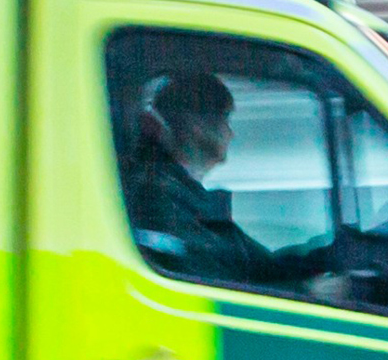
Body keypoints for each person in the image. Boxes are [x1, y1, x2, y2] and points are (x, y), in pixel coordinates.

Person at [122, 70, 322, 289]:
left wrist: (322, 258)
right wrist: (309, 290)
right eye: (226, 120)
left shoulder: (191, 200)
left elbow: (257, 266)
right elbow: (214, 282)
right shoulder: (159, 199)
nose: (232, 133)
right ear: (197, 127)